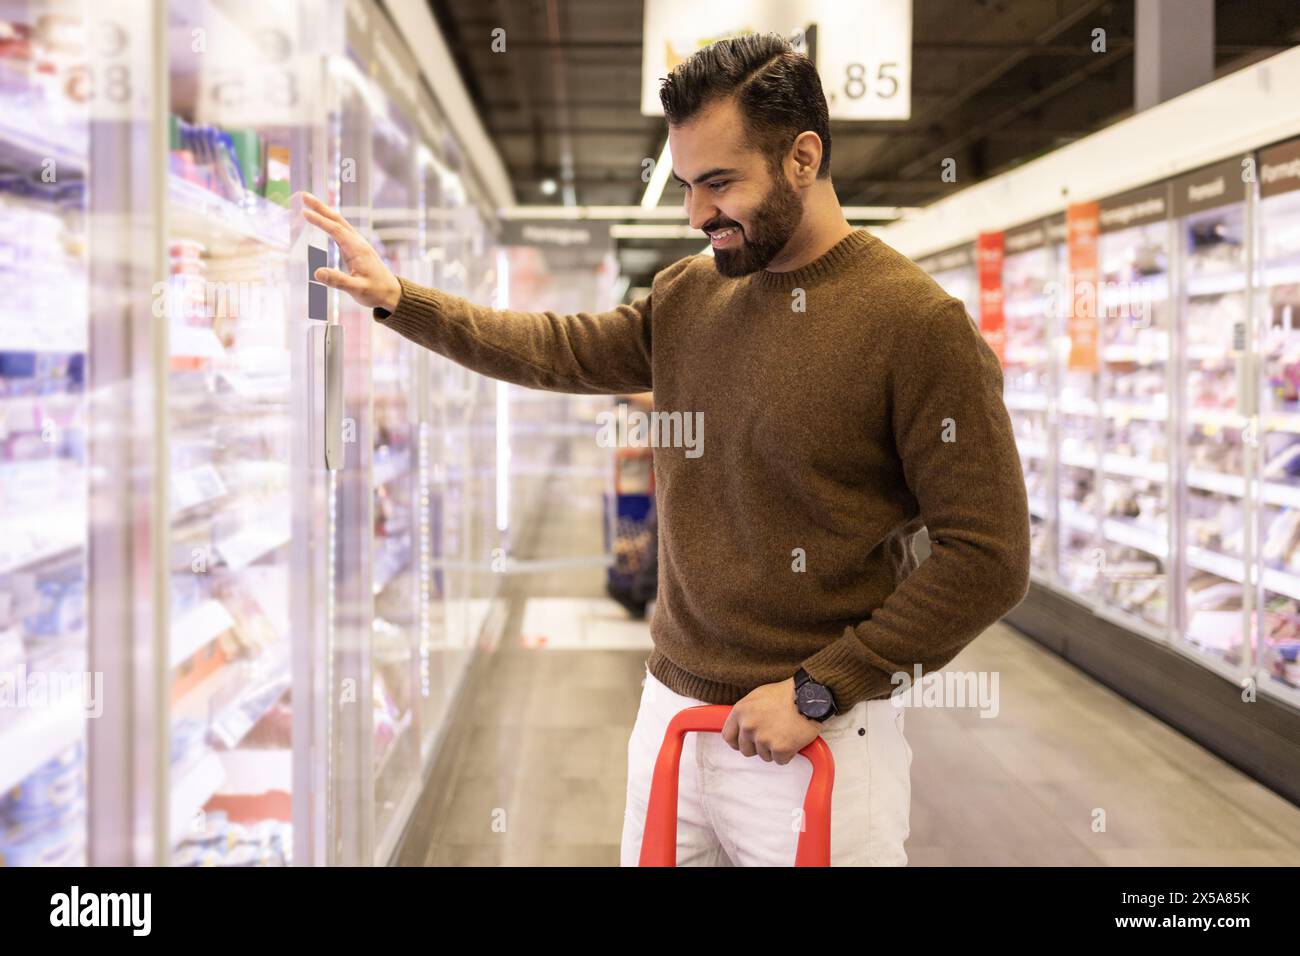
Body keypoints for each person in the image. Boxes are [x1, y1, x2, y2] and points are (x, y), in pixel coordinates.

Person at [300, 33, 1030, 866]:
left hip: (815, 736)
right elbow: (560, 348)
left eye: (719, 183)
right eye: (686, 185)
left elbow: (989, 555)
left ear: (802, 157)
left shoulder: (916, 325)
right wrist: (402, 300)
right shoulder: (691, 294)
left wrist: (825, 684)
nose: (695, 215)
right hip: (670, 722)